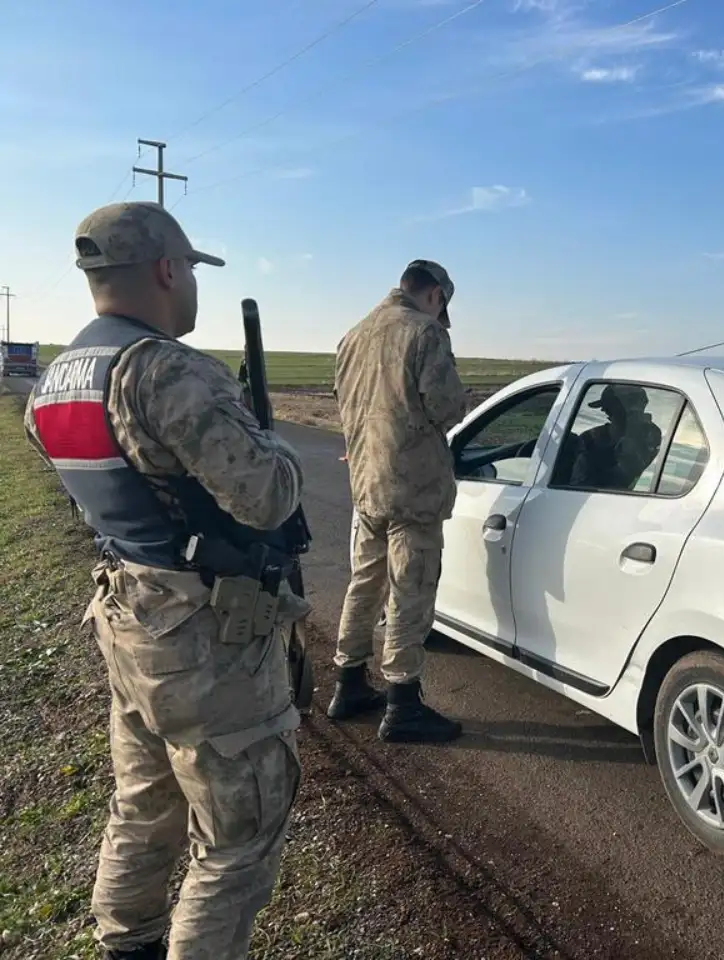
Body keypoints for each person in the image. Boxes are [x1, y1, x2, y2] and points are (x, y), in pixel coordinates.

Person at [23, 201, 307, 960]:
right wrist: (271, 444)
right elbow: (266, 495)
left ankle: (126, 944)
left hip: (129, 617)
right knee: (236, 841)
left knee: (144, 805)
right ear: (166, 269)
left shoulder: (54, 381)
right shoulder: (165, 370)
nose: (191, 288)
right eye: (188, 271)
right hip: (204, 637)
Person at [329, 259, 468, 742]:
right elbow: (447, 405)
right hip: (414, 489)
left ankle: (347, 684)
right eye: (442, 305)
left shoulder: (353, 336)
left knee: (365, 582)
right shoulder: (426, 334)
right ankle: (403, 704)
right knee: (410, 588)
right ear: (436, 295)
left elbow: (345, 407)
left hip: (367, 484)